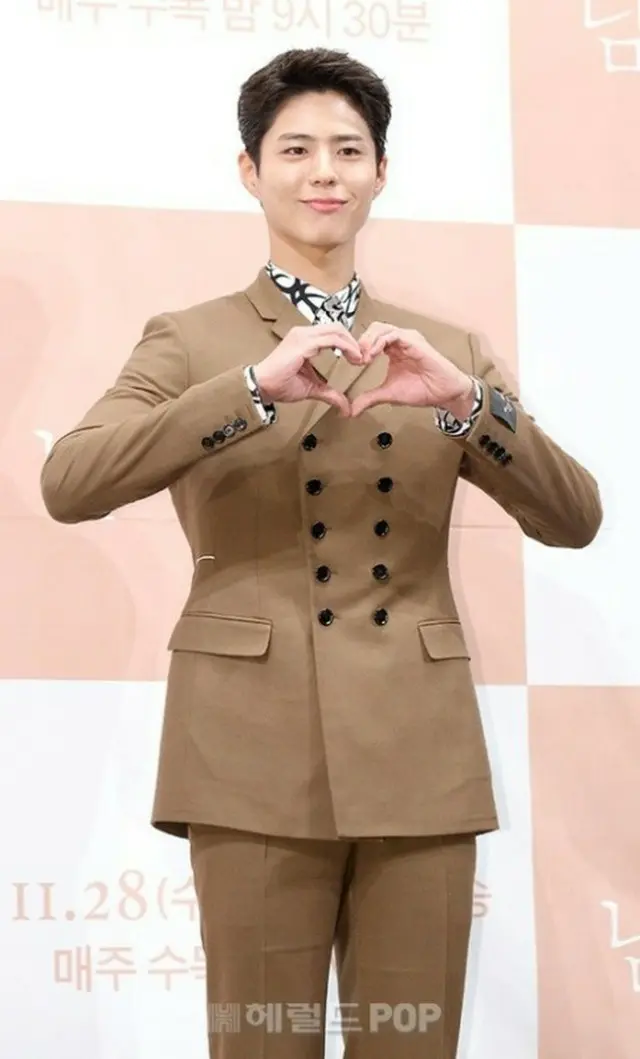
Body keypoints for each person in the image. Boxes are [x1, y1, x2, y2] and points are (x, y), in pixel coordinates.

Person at [40, 46, 602, 1059]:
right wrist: (251, 390)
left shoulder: (447, 350)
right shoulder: (193, 340)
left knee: (413, 1045)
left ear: (381, 172)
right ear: (250, 172)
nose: (323, 172)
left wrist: (469, 406)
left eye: (348, 149)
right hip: (248, 751)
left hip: (418, 751)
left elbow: (574, 517)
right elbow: (70, 482)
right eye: (294, 149)